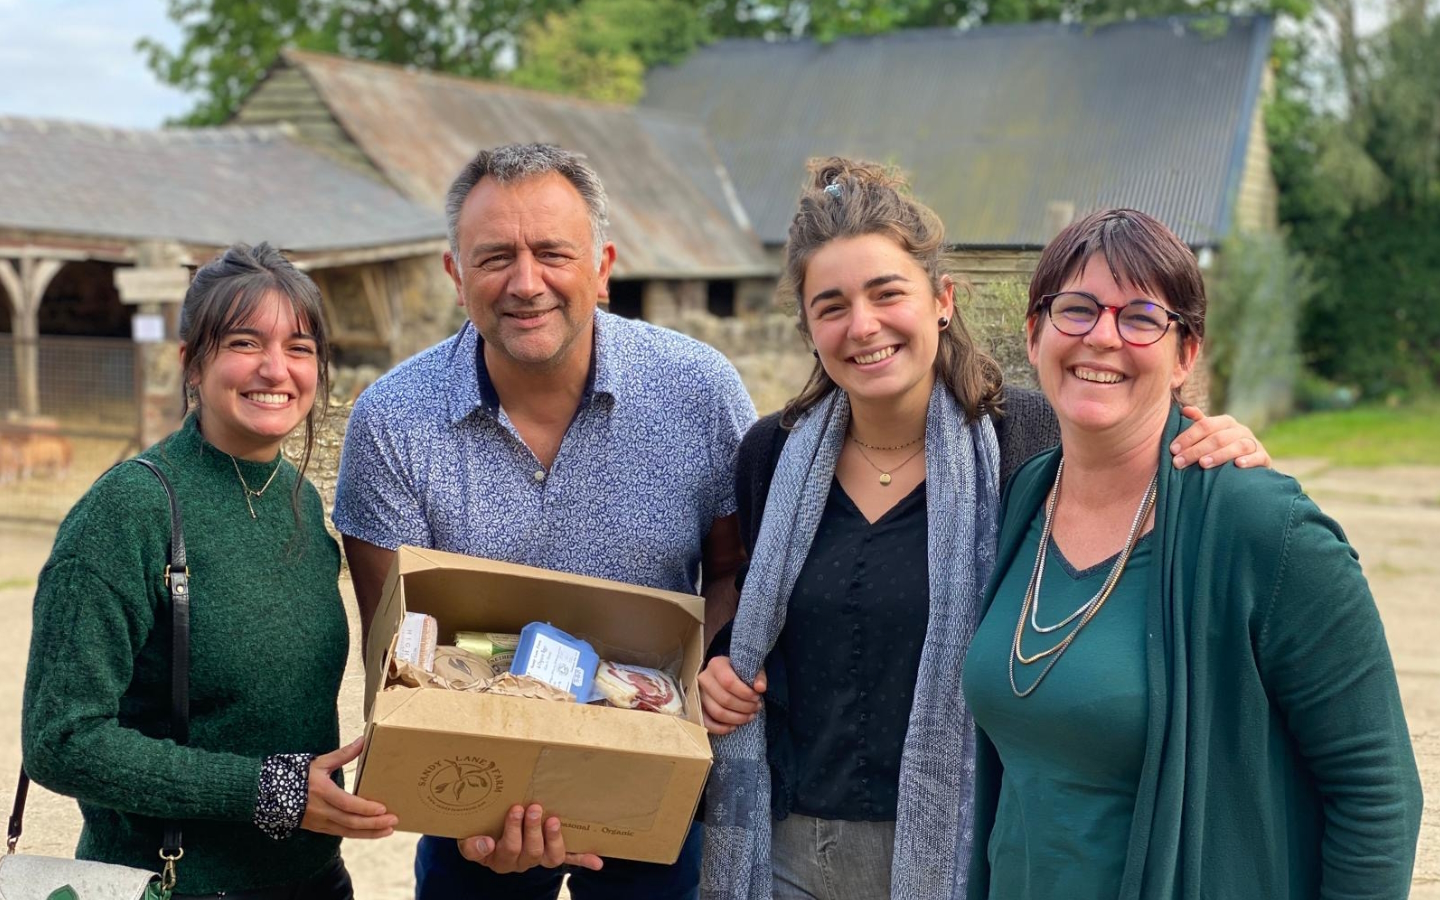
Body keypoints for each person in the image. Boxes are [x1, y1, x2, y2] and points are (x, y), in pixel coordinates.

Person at [698, 161, 1269, 900]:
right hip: (787, 851)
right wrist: (720, 663)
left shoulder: (1029, 442)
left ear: (941, 300)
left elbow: (1133, 496)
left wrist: (1222, 448)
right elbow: (753, 609)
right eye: (831, 305)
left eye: (886, 293)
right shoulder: (772, 454)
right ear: (807, 324)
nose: (862, 325)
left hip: (974, 848)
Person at [333, 142, 756, 900]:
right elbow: (394, 649)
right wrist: (479, 808)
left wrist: (697, 689)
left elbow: (732, 567)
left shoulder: (699, 394)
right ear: (455, 275)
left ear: (602, 265)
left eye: (553, 252)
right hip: (472, 797)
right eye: (494, 257)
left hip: (650, 770)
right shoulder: (393, 420)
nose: (525, 283)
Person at [961, 208, 1423, 899]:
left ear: (1186, 355)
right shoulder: (1025, 494)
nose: (1103, 336)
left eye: (1142, 316)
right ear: (1034, 334)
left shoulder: (1266, 532)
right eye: (1076, 309)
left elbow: (1378, 792)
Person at [21, 243, 397, 898]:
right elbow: (61, 738)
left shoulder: (302, 501)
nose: (276, 368)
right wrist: (268, 790)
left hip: (312, 881)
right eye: (245, 343)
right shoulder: (127, 512)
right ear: (191, 362)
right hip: (172, 883)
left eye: (300, 347)